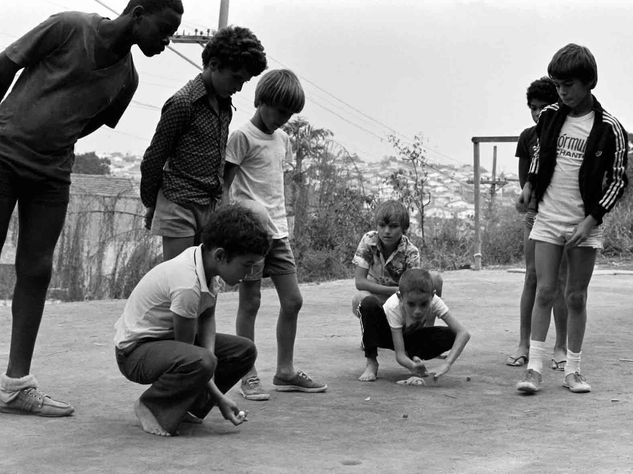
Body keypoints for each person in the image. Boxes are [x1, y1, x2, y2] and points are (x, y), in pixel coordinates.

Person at [0, 0, 183, 417]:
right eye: (165, 28)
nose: (167, 40)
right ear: (138, 13)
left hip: (51, 172)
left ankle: (15, 385)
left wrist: (52, 138)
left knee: (37, 268)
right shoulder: (69, 26)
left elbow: (89, 121)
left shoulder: (127, 79)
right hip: (3, 154)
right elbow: (6, 64)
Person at [516, 44, 628, 394]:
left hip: (584, 225)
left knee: (575, 296)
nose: (562, 91)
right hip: (548, 219)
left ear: (588, 83)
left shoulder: (610, 128)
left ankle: (573, 370)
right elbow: (539, 157)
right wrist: (530, 187)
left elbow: (619, 181)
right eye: (558, 84)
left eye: (569, 84)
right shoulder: (550, 115)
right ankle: (533, 369)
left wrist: (591, 220)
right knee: (545, 291)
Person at [113, 204, 271, 436]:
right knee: (201, 361)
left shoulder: (208, 268)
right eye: (246, 265)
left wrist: (212, 359)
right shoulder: (187, 283)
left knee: (243, 351)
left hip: (166, 346)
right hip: (134, 353)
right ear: (220, 255)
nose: (248, 274)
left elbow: (207, 317)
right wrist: (220, 397)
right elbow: (189, 352)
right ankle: (151, 406)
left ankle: (186, 407)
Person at [223, 69, 327, 401]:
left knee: (293, 301)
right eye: (279, 111)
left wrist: (285, 222)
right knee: (251, 302)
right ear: (262, 101)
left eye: (289, 114)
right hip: (251, 234)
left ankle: (285, 371)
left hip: (278, 233)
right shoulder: (242, 137)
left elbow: (274, 187)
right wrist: (230, 229)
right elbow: (226, 188)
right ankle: (247, 374)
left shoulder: (283, 140)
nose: (283, 119)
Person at [140, 26, 267, 261]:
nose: (238, 87)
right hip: (179, 204)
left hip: (210, 207)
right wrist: (151, 204)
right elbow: (154, 158)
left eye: (245, 82)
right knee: (182, 280)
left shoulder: (224, 105)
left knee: (207, 283)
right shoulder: (183, 103)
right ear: (214, 64)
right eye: (236, 78)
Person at [507, 77, 568, 370]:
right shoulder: (528, 137)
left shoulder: (567, 135)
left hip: (564, 215)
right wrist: (531, 210)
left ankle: (561, 346)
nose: (537, 113)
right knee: (532, 277)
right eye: (533, 108)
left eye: (543, 107)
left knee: (559, 282)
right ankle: (523, 343)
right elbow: (525, 181)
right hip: (535, 216)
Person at [358, 268, 470, 382]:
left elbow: (463, 333)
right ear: (401, 297)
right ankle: (371, 363)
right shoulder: (394, 306)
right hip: (387, 336)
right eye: (411, 304)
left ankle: (415, 356)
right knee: (369, 303)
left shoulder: (435, 301)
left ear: (432, 296)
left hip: (411, 338)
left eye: (423, 304)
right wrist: (411, 366)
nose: (417, 311)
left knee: (452, 334)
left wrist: (447, 363)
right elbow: (400, 355)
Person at [351, 200, 442, 319]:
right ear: (377, 225)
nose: (387, 231)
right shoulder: (369, 240)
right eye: (382, 226)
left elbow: (412, 290)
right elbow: (360, 282)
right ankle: (373, 334)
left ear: (404, 229)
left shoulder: (410, 252)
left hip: (401, 300)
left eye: (393, 226)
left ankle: (425, 332)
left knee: (434, 278)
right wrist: (393, 290)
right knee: (360, 299)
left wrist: (399, 293)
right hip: (378, 297)